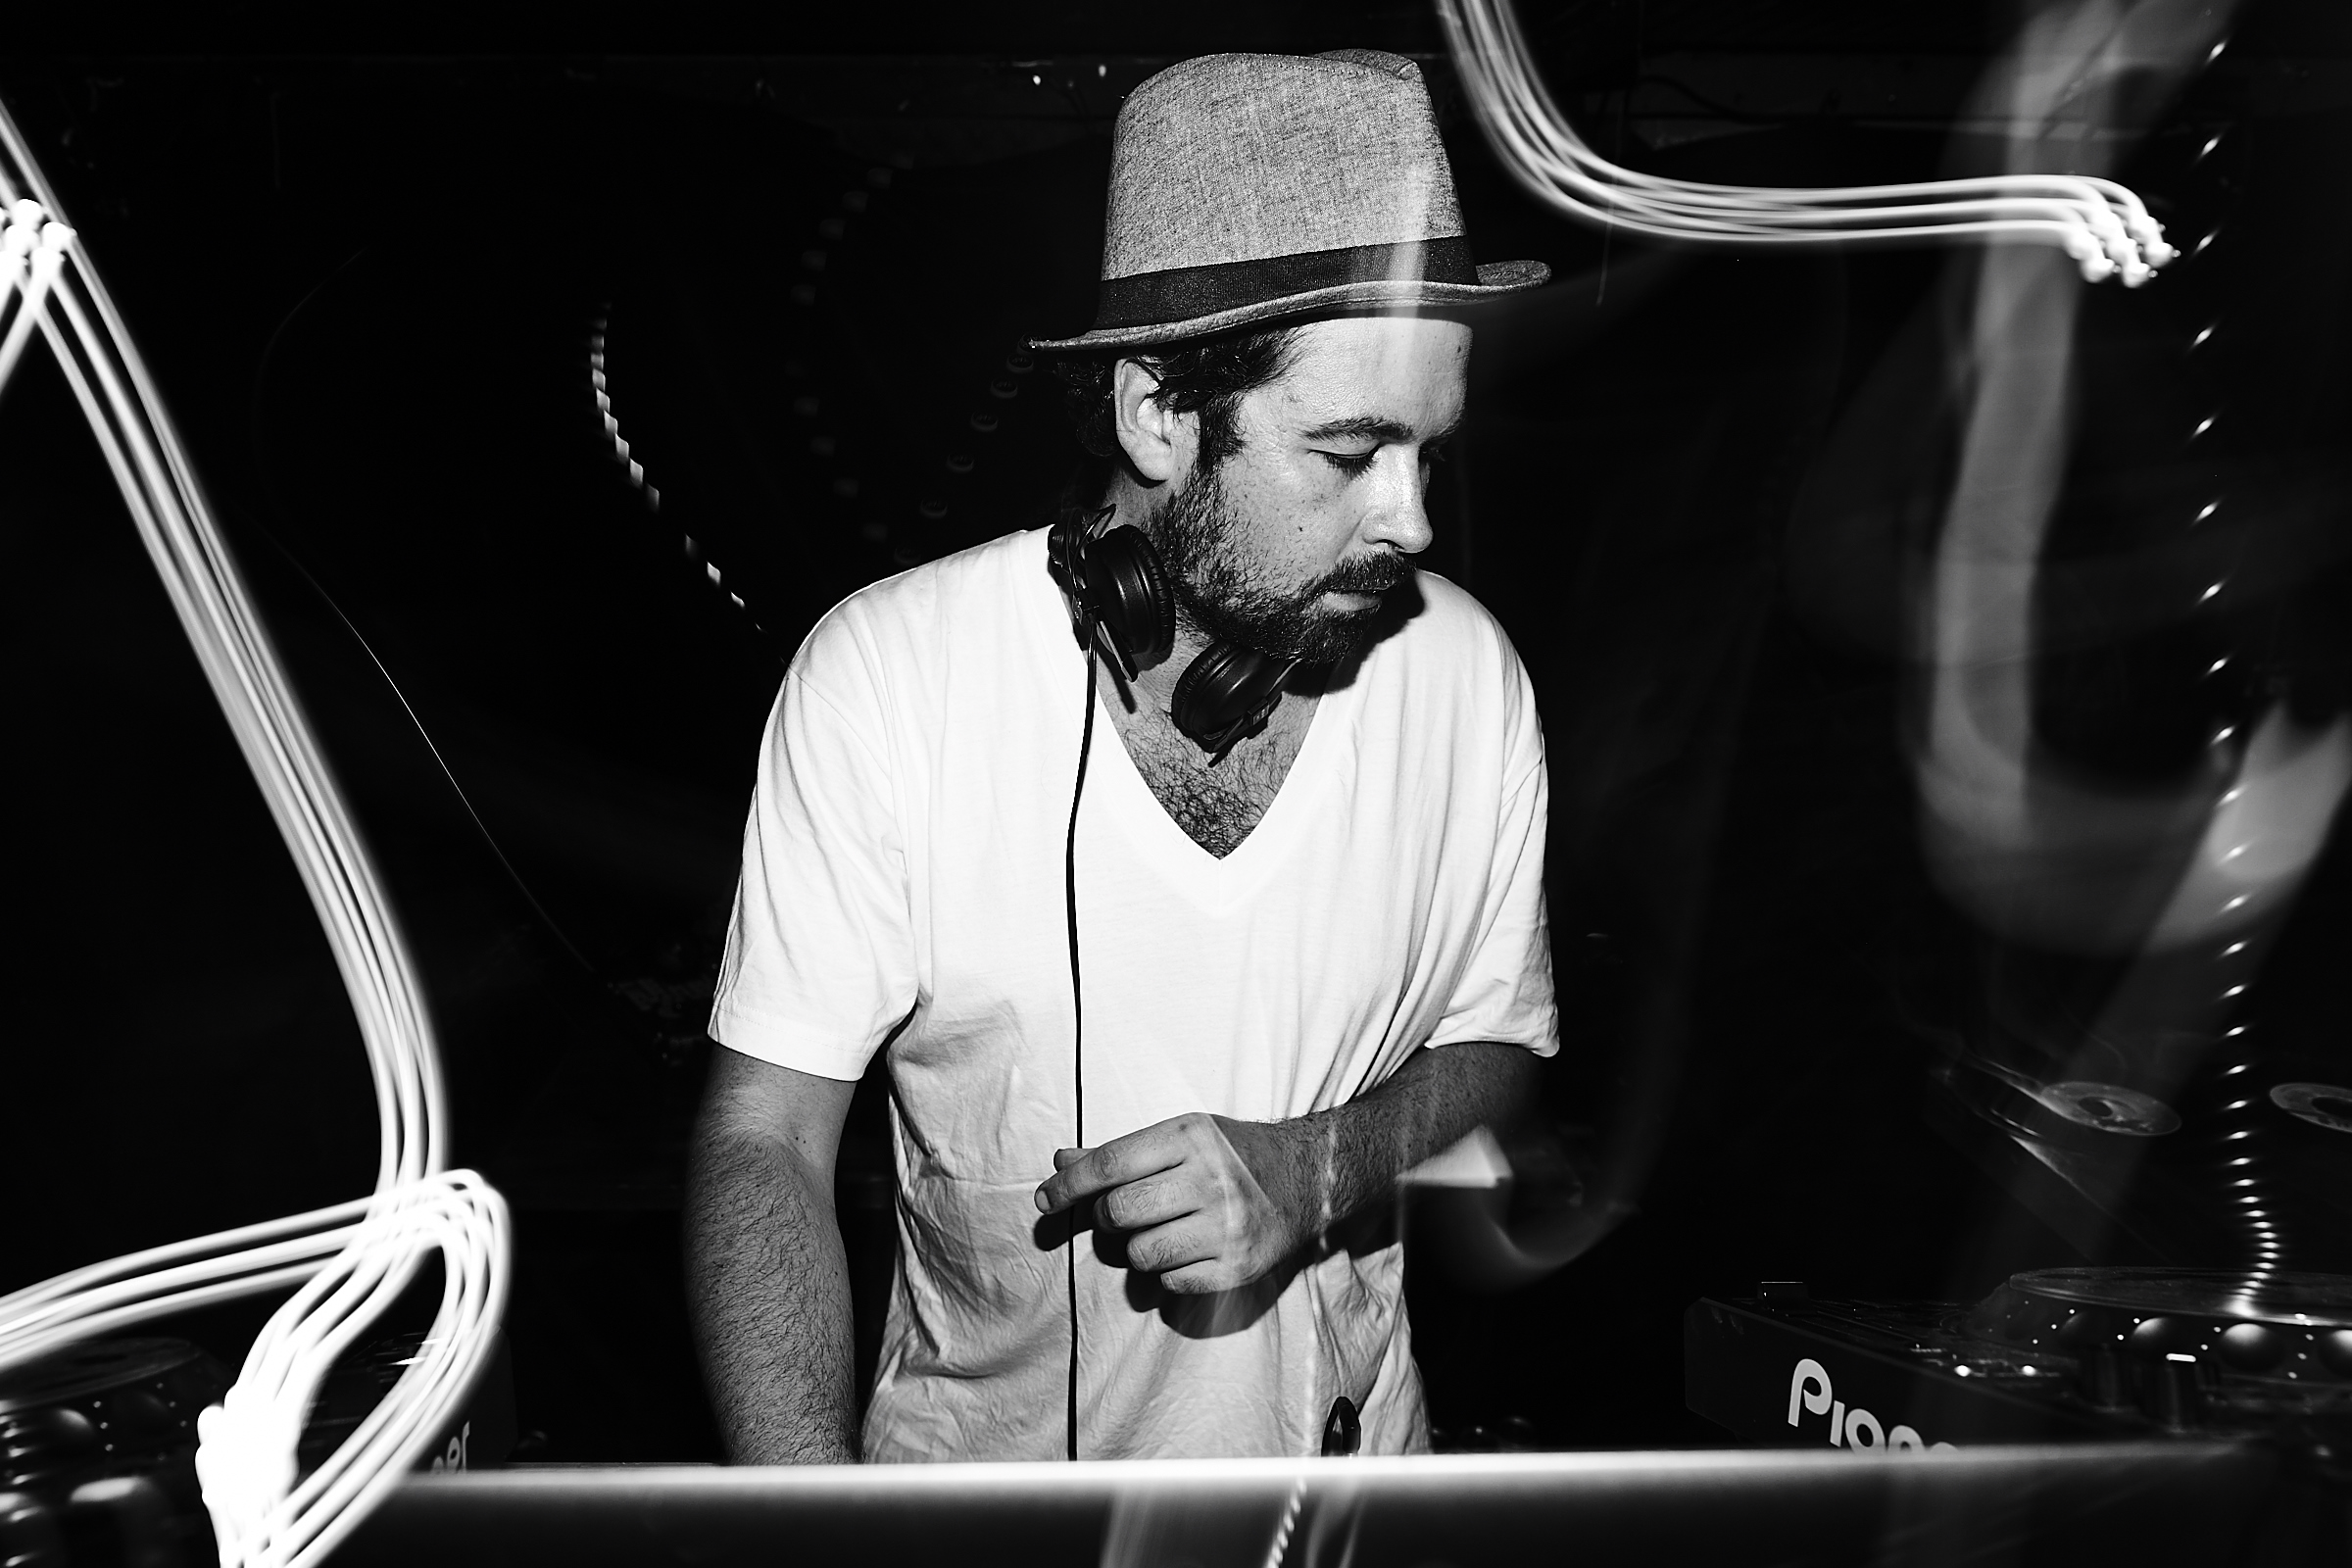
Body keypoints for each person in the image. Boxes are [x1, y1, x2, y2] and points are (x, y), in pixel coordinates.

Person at [686, 47, 1559, 1464]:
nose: (1411, 522)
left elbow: (1498, 1043)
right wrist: (804, 1518)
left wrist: (1317, 1169)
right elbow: (765, 1140)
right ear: (1156, 414)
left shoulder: (1467, 677)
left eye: (1431, 453)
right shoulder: (892, 679)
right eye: (1348, 454)